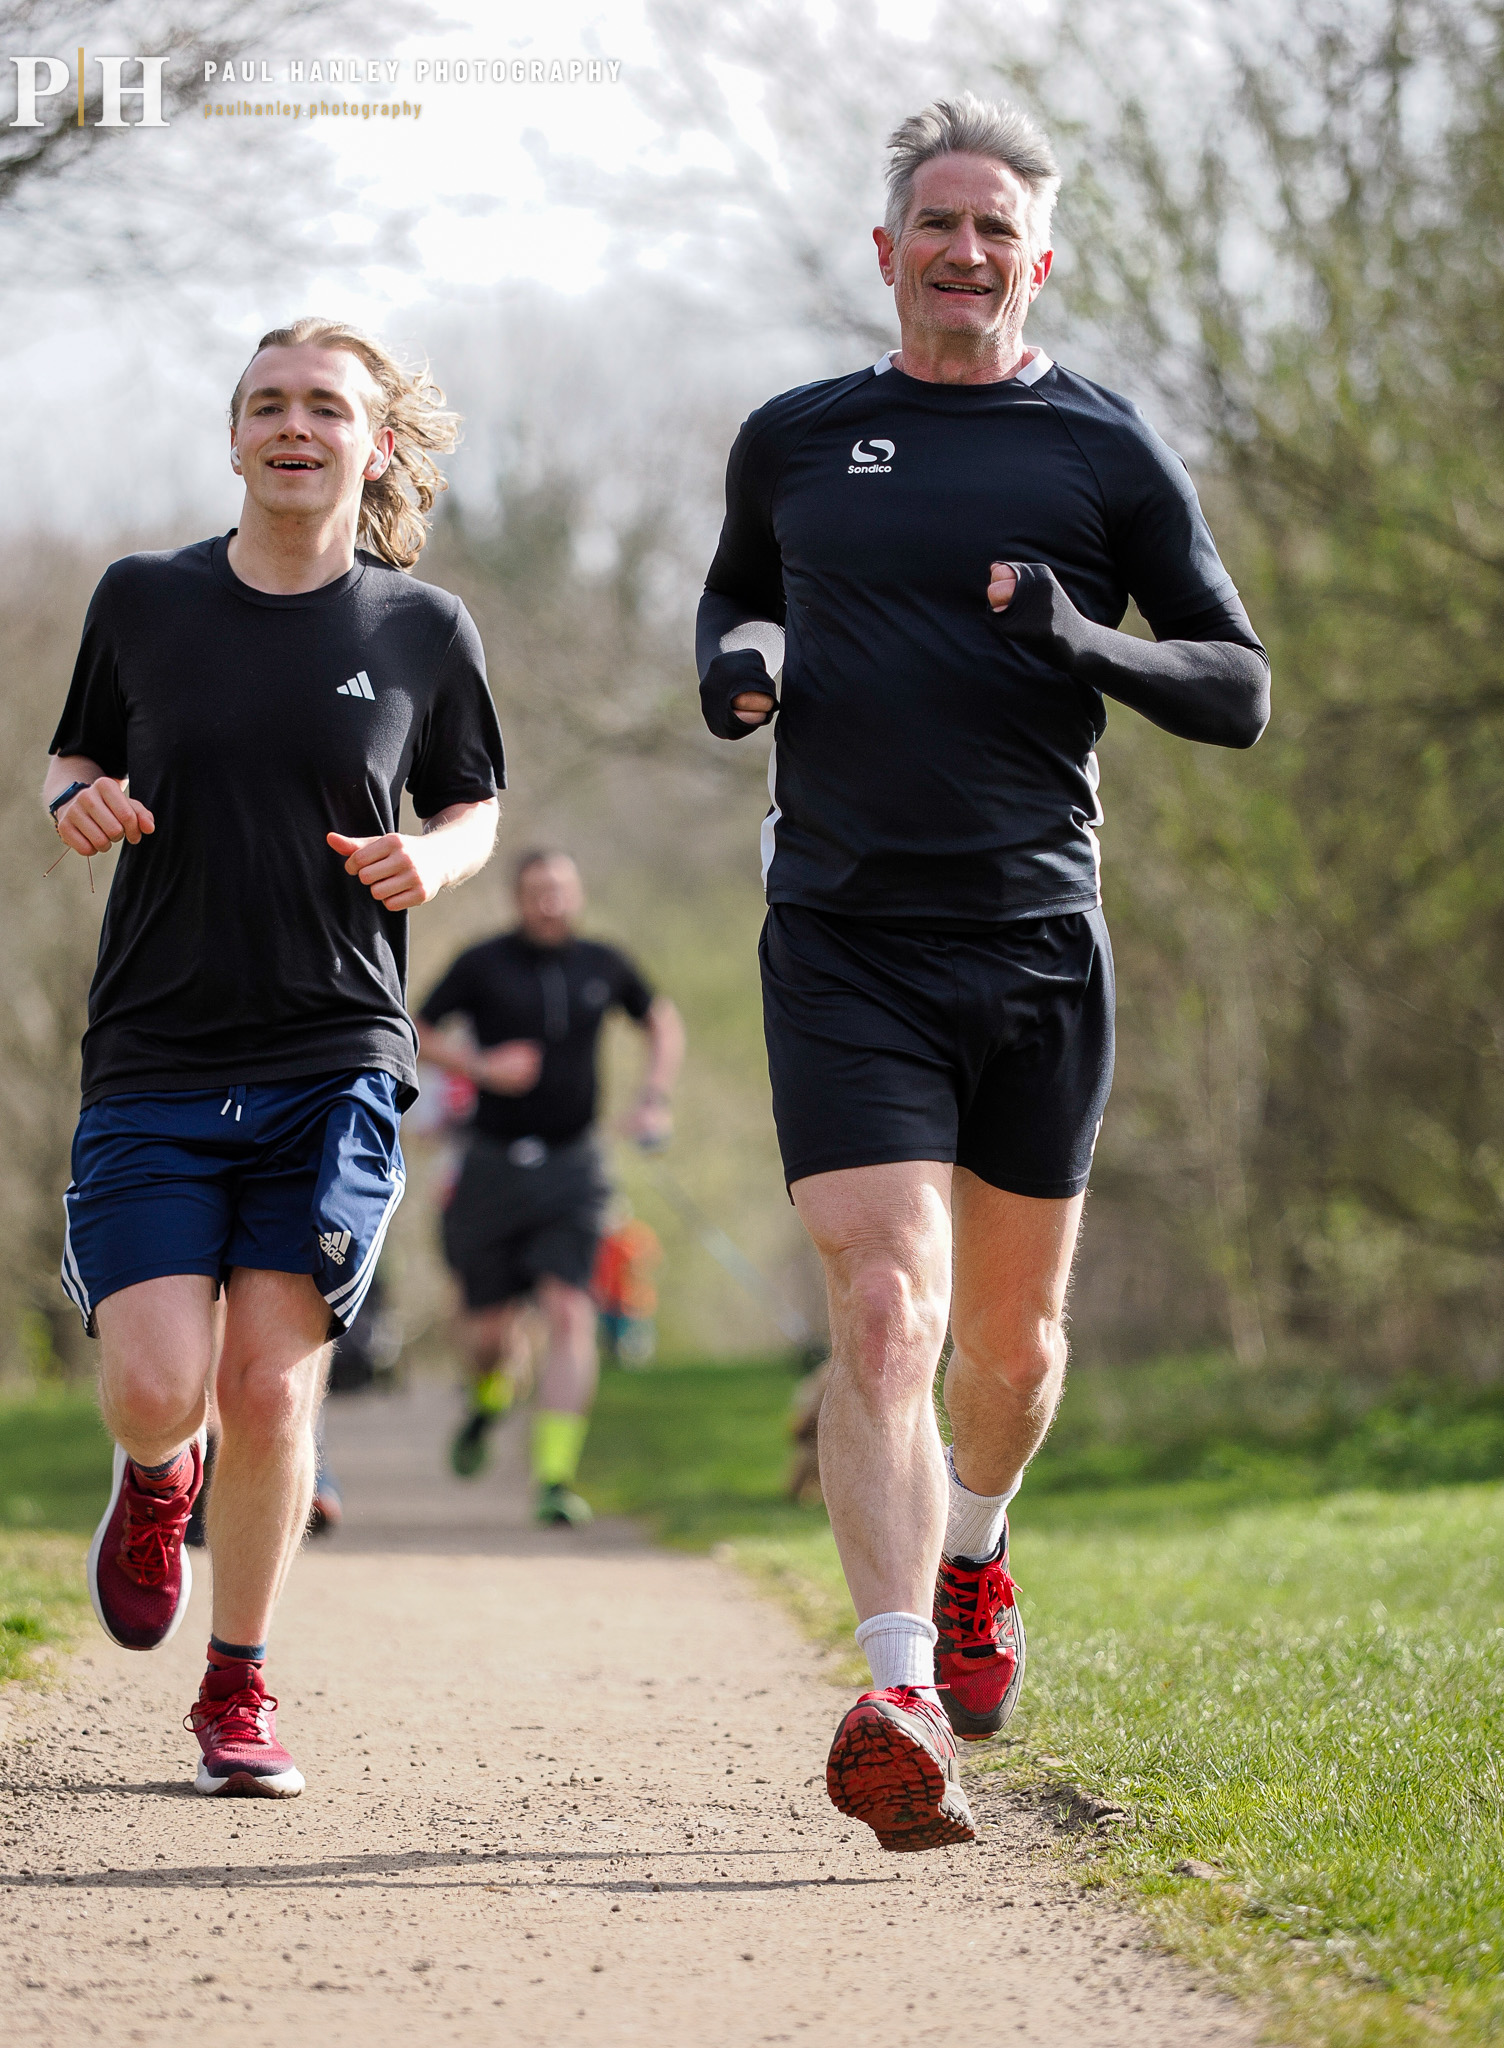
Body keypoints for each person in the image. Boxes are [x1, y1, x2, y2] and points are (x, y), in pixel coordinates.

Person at [696, 95, 1270, 1852]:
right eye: (932, 223)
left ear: (1040, 256)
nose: (961, 251)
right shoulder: (796, 438)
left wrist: (1078, 638)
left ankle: (978, 1552)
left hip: (1034, 945)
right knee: (885, 1306)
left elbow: (1236, 687)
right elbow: (734, 603)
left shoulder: (1103, 450)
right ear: (886, 251)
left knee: (1009, 1352)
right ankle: (895, 1694)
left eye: (992, 227)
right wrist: (740, 662)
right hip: (846, 937)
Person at [47, 316, 505, 1798]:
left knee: (270, 1388)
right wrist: (81, 804)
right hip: (158, 1046)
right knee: (158, 1385)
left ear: (374, 446)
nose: (294, 425)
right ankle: (149, 1477)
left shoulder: (421, 630)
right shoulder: (142, 602)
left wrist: (436, 863)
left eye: (325, 407)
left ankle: (235, 1689)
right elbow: (75, 756)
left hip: (336, 1053)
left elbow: (475, 801)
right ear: (233, 435)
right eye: (267, 404)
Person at [416, 850, 684, 1522]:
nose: (550, 903)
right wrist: (478, 1065)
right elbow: (412, 1030)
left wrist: (654, 1097)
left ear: (577, 894)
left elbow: (661, 1020)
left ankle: (554, 1480)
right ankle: (488, 1398)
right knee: (489, 1335)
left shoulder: (603, 962)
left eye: (561, 890)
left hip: (575, 1165)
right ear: (518, 898)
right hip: (492, 1165)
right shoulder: (482, 964)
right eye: (537, 892)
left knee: (570, 1309)